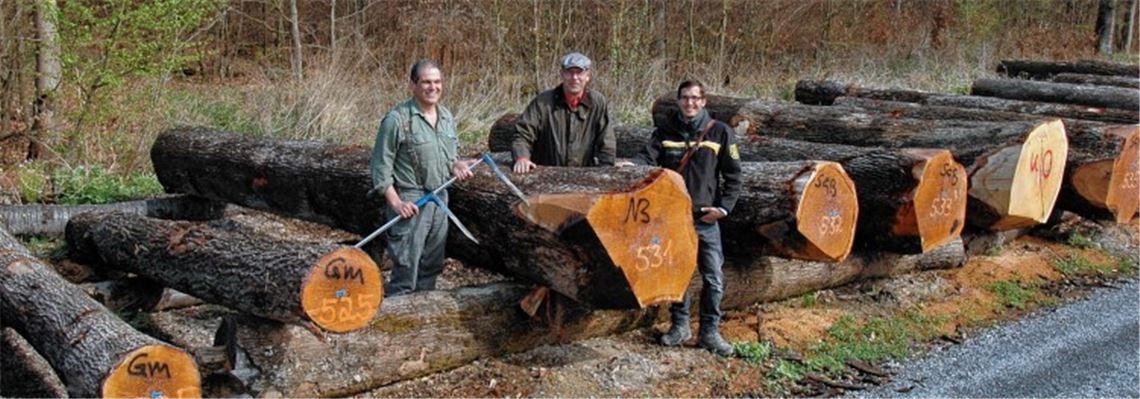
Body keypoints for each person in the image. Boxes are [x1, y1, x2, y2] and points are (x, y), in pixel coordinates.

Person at [620, 80, 742, 356]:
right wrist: (631, 166)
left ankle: (710, 332)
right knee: (678, 274)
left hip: (705, 218)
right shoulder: (665, 131)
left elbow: (734, 175)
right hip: (673, 218)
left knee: (713, 277)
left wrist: (723, 209)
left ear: (704, 101)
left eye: (695, 98)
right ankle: (680, 326)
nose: (690, 103)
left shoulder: (720, 132)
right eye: (685, 98)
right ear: (678, 101)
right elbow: (647, 158)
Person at [370, 59, 474, 297]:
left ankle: (424, 320)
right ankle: (395, 322)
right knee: (406, 271)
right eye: (426, 82)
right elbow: (380, 166)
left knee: (431, 268)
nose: (432, 87)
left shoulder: (446, 117)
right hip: (411, 201)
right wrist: (396, 203)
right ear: (413, 85)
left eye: (437, 82)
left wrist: (456, 164)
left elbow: (449, 157)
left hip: (440, 199)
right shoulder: (397, 120)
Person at [511, 52, 616, 174]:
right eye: (569, 72)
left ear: (588, 76)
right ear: (562, 74)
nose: (574, 78)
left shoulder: (598, 102)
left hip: (585, 176)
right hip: (544, 176)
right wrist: (522, 157)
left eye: (579, 73)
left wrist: (606, 170)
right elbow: (523, 134)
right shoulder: (543, 102)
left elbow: (607, 141)